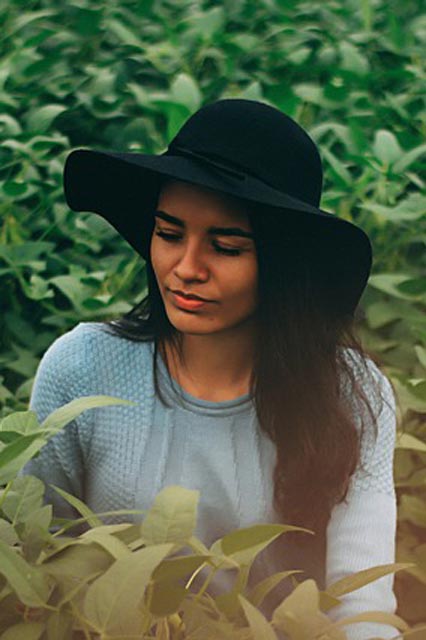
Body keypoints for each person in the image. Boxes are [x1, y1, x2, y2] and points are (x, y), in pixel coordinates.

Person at [23, 99, 398, 639]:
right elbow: (38, 568)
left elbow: (361, 610)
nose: (187, 268)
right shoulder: (81, 368)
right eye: (169, 234)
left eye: (225, 247)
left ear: (284, 259)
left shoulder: (350, 392)